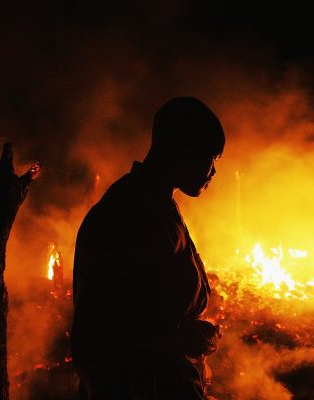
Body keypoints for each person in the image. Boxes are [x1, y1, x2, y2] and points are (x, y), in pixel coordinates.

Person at [71, 97, 224, 399]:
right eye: (212, 156)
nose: (214, 171)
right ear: (182, 147)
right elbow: (111, 328)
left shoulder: (156, 204)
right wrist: (180, 340)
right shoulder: (133, 212)